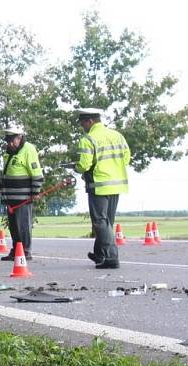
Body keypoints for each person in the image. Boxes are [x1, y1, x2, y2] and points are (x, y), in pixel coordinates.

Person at [74, 108, 131, 269]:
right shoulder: (117, 135)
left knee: (100, 221)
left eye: (82, 123)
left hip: (99, 185)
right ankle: (100, 253)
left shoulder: (88, 139)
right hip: (117, 184)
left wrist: (76, 168)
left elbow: (84, 164)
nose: (82, 126)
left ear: (90, 121)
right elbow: (126, 157)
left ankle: (111, 257)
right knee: (107, 222)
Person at [0, 126, 44, 260]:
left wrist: (35, 191)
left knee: (23, 226)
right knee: (13, 227)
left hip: (24, 197)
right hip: (10, 197)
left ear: (20, 137)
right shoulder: (9, 152)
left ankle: (25, 252)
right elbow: (6, 171)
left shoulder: (28, 149)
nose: (10, 143)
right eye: (8, 141)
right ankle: (16, 250)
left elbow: (37, 174)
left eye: (12, 140)